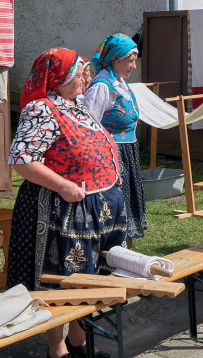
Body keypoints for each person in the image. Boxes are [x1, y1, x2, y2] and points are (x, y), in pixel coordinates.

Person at [6, 47, 127, 358]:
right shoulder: (41, 109)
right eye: (77, 75)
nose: (84, 80)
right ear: (57, 78)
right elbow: (22, 161)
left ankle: (78, 339)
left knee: (84, 279)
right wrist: (62, 184)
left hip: (90, 210)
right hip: (58, 209)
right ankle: (56, 347)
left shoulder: (77, 106)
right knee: (56, 280)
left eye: (84, 74)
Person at [84, 33, 147, 249]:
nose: (133, 66)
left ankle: (127, 256)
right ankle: (115, 257)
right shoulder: (102, 86)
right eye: (130, 61)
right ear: (115, 58)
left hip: (127, 154)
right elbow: (89, 127)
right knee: (117, 208)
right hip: (112, 157)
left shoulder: (119, 82)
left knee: (127, 207)